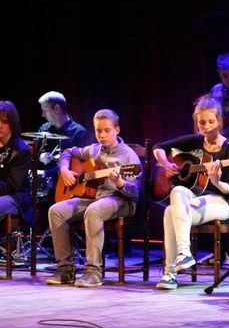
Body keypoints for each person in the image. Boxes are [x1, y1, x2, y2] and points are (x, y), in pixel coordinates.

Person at [45, 109, 141, 287]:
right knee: (55, 211)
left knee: (94, 211)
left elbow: (135, 192)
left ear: (117, 130)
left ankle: (94, 272)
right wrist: (65, 170)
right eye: (98, 131)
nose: (102, 135)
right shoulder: (93, 150)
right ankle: (65, 269)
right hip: (92, 197)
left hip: (120, 199)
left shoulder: (128, 156)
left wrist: (119, 182)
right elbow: (68, 152)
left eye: (107, 130)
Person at [153, 95, 229, 290]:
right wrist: (167, 164)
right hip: (195, 199)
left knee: (169, 212)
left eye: (211, 121)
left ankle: (170, 272)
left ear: (220, 120)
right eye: (202, 122)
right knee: (177, 193)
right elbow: (159, 148)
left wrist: (216, 180)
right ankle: (183, 255)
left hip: (221, 201)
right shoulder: (195, 141)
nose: (206, 126)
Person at [37, 91, 91, 199]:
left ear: (57, 108)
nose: (42, 115)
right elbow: (35, 154)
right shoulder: (44, 129)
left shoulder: (79, 132)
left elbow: (80, 166)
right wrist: (40, 156)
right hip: (42, 184)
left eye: (45, 111)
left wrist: (46, 172)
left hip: (66, 186)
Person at [0, 100, 33, 227]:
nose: (0, 126)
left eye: (5, 122)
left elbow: (12, 186)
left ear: (12, 123)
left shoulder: (21, 150)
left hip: (15, 198)